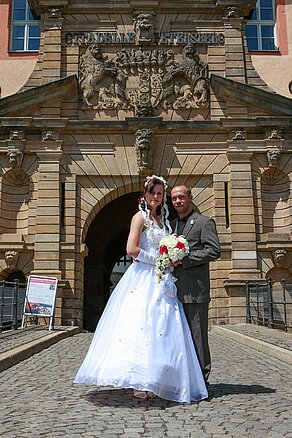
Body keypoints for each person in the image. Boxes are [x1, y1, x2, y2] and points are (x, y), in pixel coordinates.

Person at [74, 176, 208, 403]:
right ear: (145, 195)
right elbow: (131, 249)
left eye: (160, 193)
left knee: (163, 327)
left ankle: (158, 377)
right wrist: (158, 260)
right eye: (152, 193)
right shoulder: (140, 218)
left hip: (163, 279)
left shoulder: (165, 221)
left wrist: (169, 258)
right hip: (144, 277)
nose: (157, 197)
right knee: (141, 326)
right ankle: (139, 379)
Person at [170, 184, 221, 385]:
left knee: (197, 336)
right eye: (174, 199)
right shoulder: (171, 225)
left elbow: (214, 250)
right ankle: (182, 378)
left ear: (190, 197)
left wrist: (185, 258)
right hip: (172, 290)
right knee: (177, 336)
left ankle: (202, 381)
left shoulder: (204, 222)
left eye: (181, 197)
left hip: (194, 289)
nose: (178, 202)